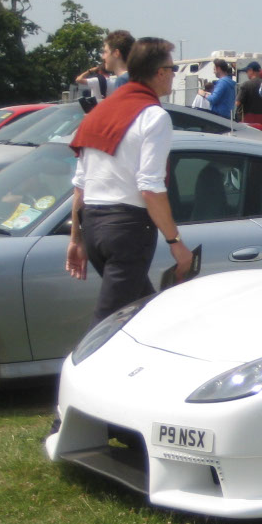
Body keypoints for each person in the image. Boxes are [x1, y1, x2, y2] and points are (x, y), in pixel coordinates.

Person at [66, 37, 192, 324]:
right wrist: (175, 242)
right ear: (160, 72)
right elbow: (149, 186)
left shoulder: (100, 111)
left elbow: (81, 183)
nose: (174, 75)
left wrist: (77, 238)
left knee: (145, 315)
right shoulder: (154, 116)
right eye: (173, 69)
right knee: (107, 326)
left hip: (94, 226)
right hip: (127, 230)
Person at [74, 29, 134, 102]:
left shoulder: (123, 80)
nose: (103, 57)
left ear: (116, 53)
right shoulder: (136, 77)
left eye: (105, 52)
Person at [236, 60, 262, 131]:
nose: (247, 74)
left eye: (247, 71)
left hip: (249, 119)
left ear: (251, 70)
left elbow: (237, 103)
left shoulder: (246, 85)